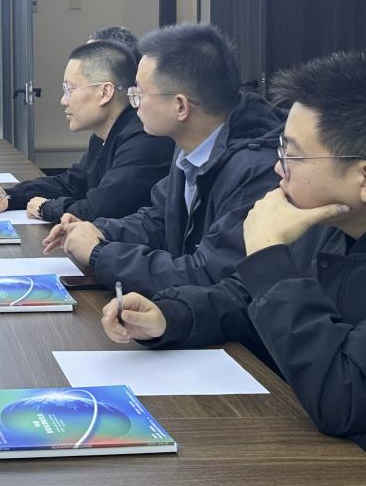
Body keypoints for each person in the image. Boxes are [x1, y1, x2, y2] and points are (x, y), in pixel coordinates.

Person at [102, 51, 366, 449]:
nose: (278, 168)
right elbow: (245, 298)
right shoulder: (327, 226)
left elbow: (342, 399)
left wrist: (269, 257)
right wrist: (169, 315)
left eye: (292, 155)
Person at [43, 23, 282, 296]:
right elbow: (158, 220)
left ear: (180, 106)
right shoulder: (189, 147)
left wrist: (100, 253)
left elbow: (206, 274)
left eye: (139, 94)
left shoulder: (255, 170)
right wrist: (99, 230)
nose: (133, 104)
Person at [0, 40, 173, 223]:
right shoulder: (104, 135)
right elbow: (72, 183)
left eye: (70, 89)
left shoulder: (145, 139)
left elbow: (98, 210)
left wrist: (45, 208)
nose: (64, 100)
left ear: (105, 92)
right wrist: (10, 196)